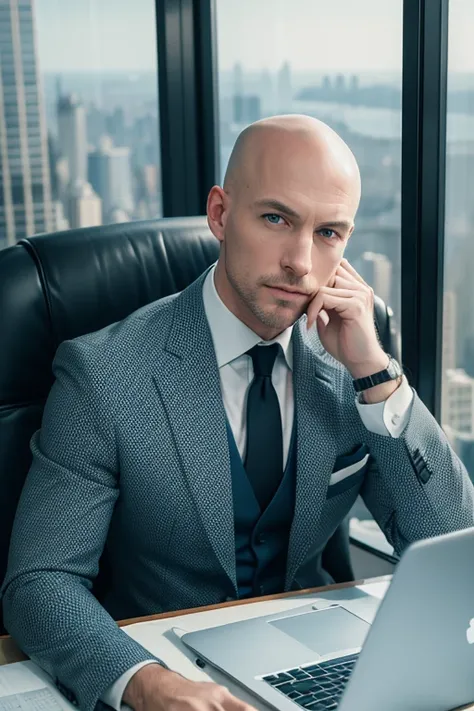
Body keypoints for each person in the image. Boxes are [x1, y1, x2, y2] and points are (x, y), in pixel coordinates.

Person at [2, 115, 473, 711]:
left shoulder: (356, 349)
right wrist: (145, 684)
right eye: (276, 219)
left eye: (329, 233)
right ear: (221, 215)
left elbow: (454, 548)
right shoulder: (103, 375)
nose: (302, 263)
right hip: (166, 663)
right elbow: (39, 584)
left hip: (319, 663)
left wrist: (375, 376)